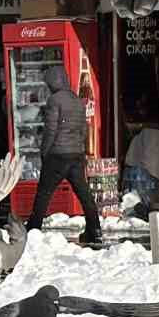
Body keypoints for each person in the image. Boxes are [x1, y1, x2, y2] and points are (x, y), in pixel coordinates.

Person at [25, 65, 100, 244]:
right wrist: (79, 148)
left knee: (44, 193)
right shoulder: (76, 100)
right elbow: (83, 129)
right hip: (76, 154)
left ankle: (33, 229)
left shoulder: (54, 100)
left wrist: (45, 152)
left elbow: (51, 130)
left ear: (51, 82)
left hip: (57, 154)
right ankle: (95, 228)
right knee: (84, 194)